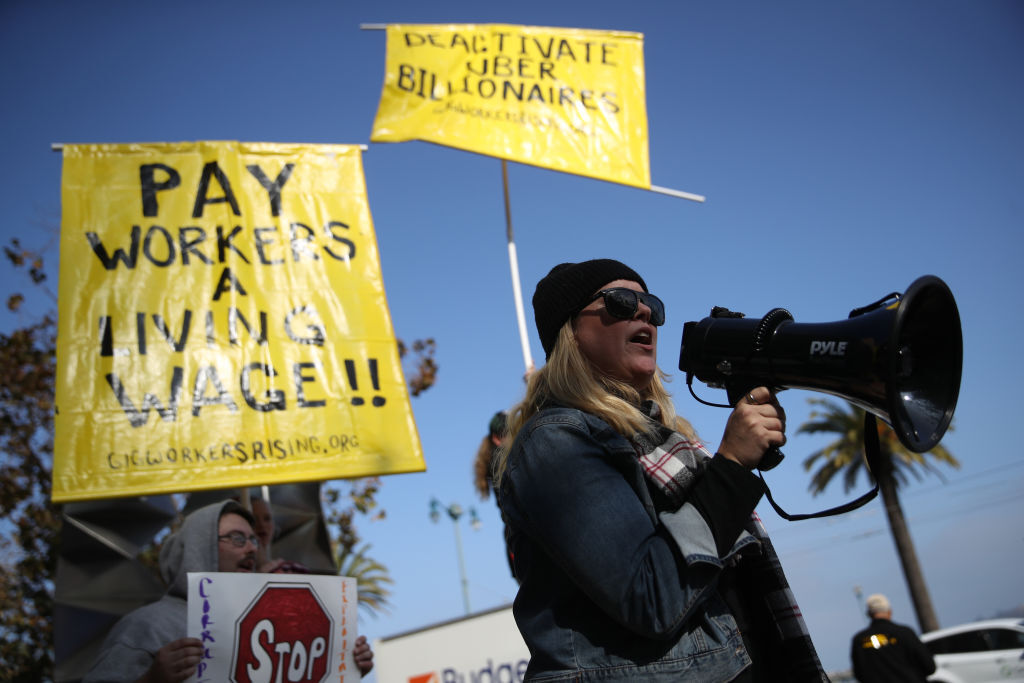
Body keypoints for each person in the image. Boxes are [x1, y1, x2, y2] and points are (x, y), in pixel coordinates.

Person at [493, 259, 826, 681]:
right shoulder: (553, 442)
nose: (644, 311)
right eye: (620, 301)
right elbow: (649, 597)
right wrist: (731, 467)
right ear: (570, 332)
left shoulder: (663, 442)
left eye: (652, 304)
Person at [84, 499, 373, 682]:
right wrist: (151, 680)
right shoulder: (148, 626)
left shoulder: (275, 627)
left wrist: (345, 666)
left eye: (253, 540)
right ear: (200, 548)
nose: (251, 548)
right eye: (236, 538)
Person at [851, 593, 935, 682]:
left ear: (869, 614)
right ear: (889, 611)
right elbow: (929, 667)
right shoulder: (905, 633)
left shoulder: (859, 640)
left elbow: (859, 674)